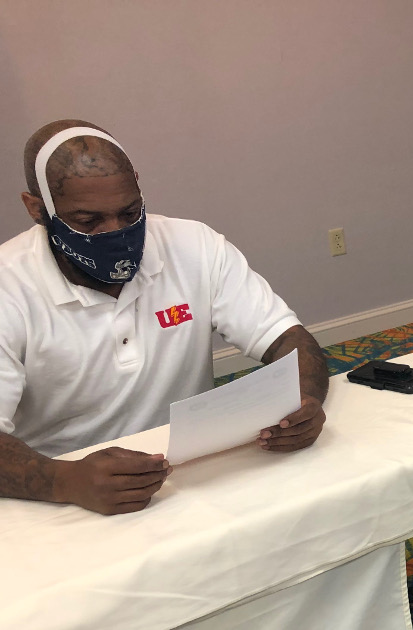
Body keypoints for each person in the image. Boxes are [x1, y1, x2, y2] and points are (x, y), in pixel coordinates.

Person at [0, 120, 330, 515]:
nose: (116, 233)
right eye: (88, 222)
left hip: (194, 471)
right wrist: (65, 480)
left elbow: (288, 339)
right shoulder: (9, 286)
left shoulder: (194, 246)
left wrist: (304, 400)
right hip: (64, 492)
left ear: (138, 185)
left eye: (130, 212)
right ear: (37, 209)